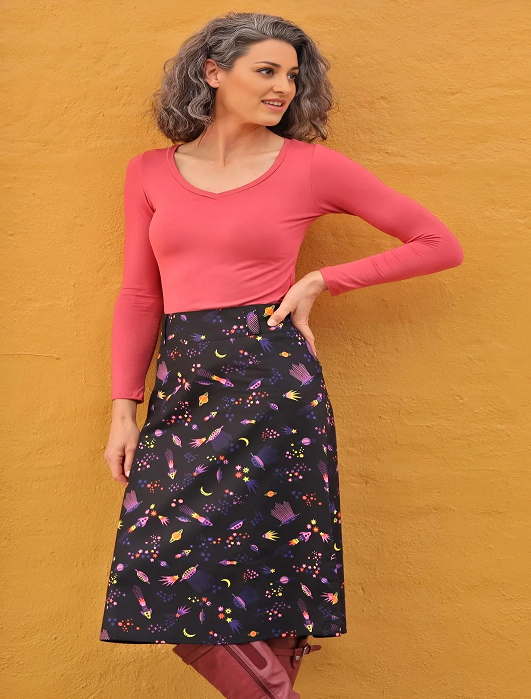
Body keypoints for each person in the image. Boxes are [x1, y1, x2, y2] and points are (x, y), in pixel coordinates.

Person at [99, 11, 464, 699]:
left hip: (271, 386)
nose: (283, 88)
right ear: (213, 72)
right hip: (183, 386)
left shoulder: (309, 167)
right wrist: (125, 409)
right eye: (266, 70)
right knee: (159, 564)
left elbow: (437, 243)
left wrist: (323, 279)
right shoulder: (149, 172)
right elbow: (140, 295)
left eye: (292, 76)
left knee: (271, 576)